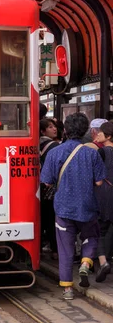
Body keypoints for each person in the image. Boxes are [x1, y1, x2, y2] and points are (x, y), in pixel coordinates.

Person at [41, 112, 106, 300]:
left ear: (66, 130)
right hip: (87, 206)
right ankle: (86, 263)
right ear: (86, 130)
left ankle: (68, 288)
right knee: (92, 236)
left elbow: (46, 181)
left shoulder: (55, 153)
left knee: (65, 248)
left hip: (63, 208)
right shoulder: (91, 153)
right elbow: (100, 182)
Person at [94, 121, 113, 282]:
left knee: (99, 229)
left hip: (104, 194)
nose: (97, 135)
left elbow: (97, 177)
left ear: (108, 136)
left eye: (101, 133)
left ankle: (103, 262)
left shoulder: (102, 153)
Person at [39, 118, 60, 259]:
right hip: (50, 187)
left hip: (38, 187)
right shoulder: (54, 146)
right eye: (50, 127)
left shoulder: (36, 143)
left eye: (54, 126)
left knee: (42, 217)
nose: (54, 129)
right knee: (52, 219)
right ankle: (55, 249)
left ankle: (39, 247)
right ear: (43, 130)